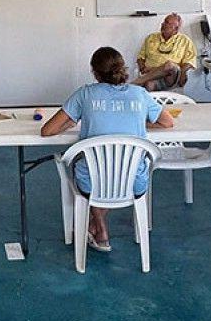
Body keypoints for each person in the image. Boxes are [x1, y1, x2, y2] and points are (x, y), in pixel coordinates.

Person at [42, 47, 174, 250]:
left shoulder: (85, 94)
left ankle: (100, 228)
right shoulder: (140, 94)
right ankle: (96, 225)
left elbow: (47, 130)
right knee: (115, 171)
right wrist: (137, 122)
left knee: (97, 171)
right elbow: (167, 122)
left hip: (93, 182)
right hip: (133, 181)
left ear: (94, 72)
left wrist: (70, 122)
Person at [133, 13, 198, 91]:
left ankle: (136, 82)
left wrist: (183, 72)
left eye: (167, 22)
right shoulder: (151, 37)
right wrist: (142, 68)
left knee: (169, 65)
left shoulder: (184, 40)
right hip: (150, 75)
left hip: (170, 77)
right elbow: (141, 57)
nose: (163, 24)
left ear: (176, 29)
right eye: (164, 21)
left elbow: (190, 61)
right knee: (149, 85)